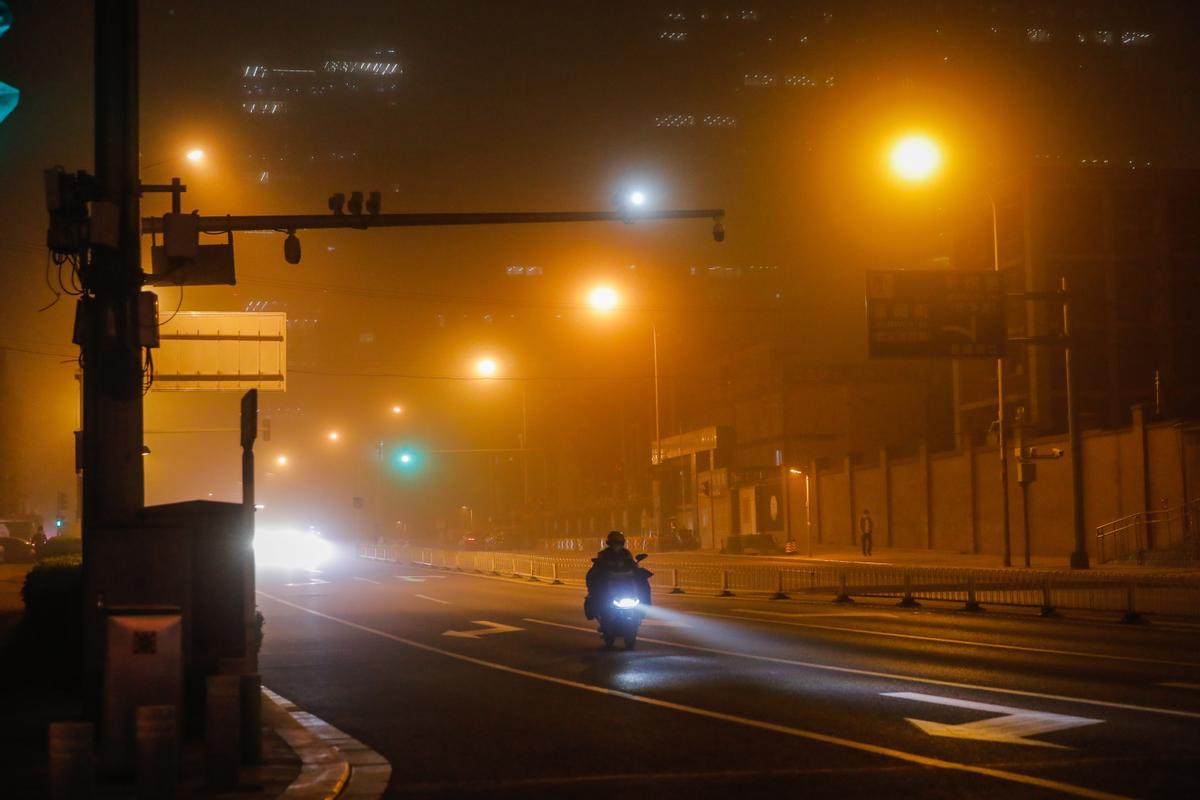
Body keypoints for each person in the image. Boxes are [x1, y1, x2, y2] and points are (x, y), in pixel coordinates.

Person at [584, 531, 638, 620]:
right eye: (614, 543)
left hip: (625, 581)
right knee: (597, 588)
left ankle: (641, 613)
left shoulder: (626, 553)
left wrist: (636, 570)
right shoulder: (603, 554)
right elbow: (598, 567)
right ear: (610, 543)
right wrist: (603, 573)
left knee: (643, 584)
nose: (617, 545)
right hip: (609, 581)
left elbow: (632, 564)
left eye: (619, 543)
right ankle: (600, 611)